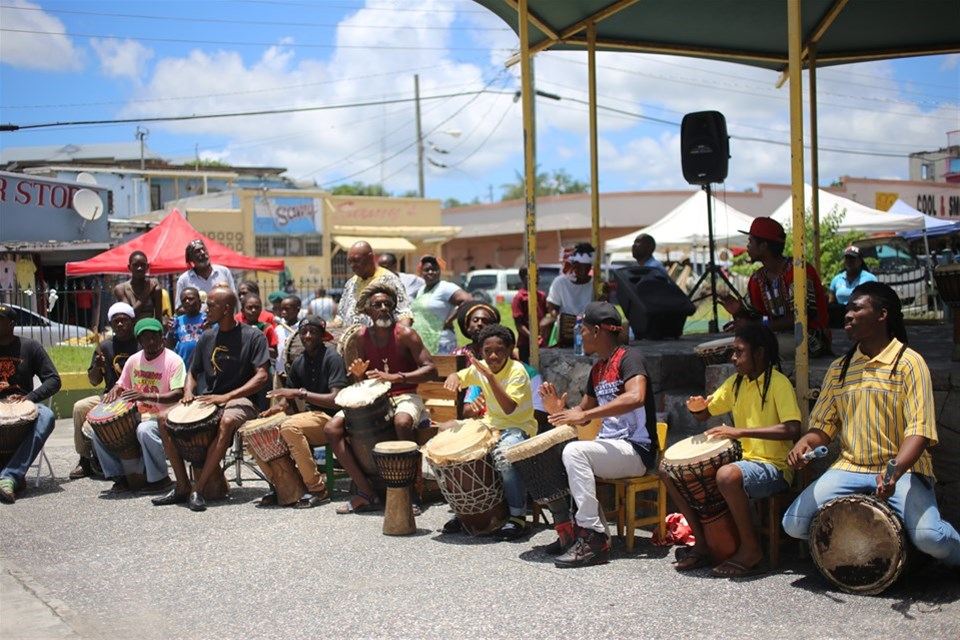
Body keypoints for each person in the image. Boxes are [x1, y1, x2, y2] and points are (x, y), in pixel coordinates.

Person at [781, 282, 960, 568]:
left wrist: (894, 471)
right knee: (793, 524)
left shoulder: (909, 363)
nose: (848, 315)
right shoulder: (839, 368)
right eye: (847, 309)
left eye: (857, 308)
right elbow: (823, 427)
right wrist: (805, 445)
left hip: (904, 470)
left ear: (882, 315)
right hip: (850, 468)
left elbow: (920, 431)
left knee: (931, 539)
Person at [675, 322, 800, 575]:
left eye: (739, 351)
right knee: (672, 472)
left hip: (775, 468)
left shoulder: (778, 383)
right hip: (745, 464)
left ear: (760, 353)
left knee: (726, 475)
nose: (733, 358)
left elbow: (793, 429)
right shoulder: (736, 383)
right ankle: (703, 545)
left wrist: (739, 432)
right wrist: (697, 407)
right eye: (733, 352)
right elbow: (706, 412)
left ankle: (751, 549)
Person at [538, 302, 656, 568]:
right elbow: (583, 411)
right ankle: (572, 530)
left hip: (636, 450)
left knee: (574, 451)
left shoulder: (629, 358)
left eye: (583, 329)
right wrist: (559, 410)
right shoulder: (598, 369)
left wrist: (586, 415)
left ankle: (592, 537)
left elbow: (637, 396)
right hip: (611, 448)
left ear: (597, 330)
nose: (580, 335)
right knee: (556, 452)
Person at [153, 287, 270, 512]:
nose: (206, 309)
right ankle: (182, 486)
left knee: (226, 421)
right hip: (209, 399)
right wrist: (188, 392)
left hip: (243, 401)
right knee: (162, 418)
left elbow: (262, 376)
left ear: (226, 309)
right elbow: (193, 372)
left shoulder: (252, 336)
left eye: (211, 305)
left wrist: (228, 396)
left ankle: (199, 488)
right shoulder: (207, 337)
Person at [325, 282, 436, 514]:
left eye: (388, 304)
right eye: (377, 305)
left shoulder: (406, 334)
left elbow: (431, 370)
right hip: (375, 398)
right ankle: (366, 492)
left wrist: (397, 377)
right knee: (332, 427)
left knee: (402, 422)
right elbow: (361, 383)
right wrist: (357, 376)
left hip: (405, 394)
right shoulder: (359, 339)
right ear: (367, 310)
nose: (384, 308)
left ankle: (410, 491)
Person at [441, 324, 536, 540]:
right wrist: (454, 376)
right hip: (490, 424)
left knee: (504, 457)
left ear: (510, 349)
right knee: (450, 443)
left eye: (499, 351)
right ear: (480, 351)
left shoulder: (517, 372)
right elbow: (463, 376)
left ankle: (517, 516)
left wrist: (490, 378)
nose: (493, 356)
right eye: (487, 351)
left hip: (518, 427)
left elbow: (509, 408)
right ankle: (467, 510)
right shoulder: (481, 367)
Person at [256, 316, 347, 508]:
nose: (307, 336)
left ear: (323, 336)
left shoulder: (333, 359)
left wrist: (301, 393)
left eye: (313, 332)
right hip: (308, 417)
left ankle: (316, 489)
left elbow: (336, 400)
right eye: (304, 332)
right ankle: (283, 484)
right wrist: (278, 406)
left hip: (330, 419)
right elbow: (287, 399)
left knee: (290, 427)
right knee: (257, 430)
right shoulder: (299, 362)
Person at [91, 318, 185, 494]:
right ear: (139, 341)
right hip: (136, 414)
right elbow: (122, 384)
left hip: (165, 417)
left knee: (144, 430)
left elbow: (178, 392)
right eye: (145, 338)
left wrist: (147, 395)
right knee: (99, 431)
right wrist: (115, 389)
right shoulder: (134, 360)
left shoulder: (174, 360)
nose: (150, 342)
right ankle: (120, 477)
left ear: (161, 337)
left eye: (153, 337)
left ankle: (160, 479)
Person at [721, 217, 831, 358]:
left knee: (755, 351)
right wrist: (738, 311)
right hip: (776, 336)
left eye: (751, 241)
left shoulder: (797, 271)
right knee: (733, 351)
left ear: (763, 246)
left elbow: (802, 316)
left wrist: (755, 326)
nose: (747, 246)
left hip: (811, 339)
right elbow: (751, 316)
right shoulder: (757, 279)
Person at [69, 302, 140, 480]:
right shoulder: (106, 347)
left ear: (132, 321)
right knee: (79, 407)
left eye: (124, 320)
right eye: (116, 322)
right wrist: (97, 368)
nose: (120, 325)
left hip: (136, 396)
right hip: (110, 396)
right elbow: (94, 381)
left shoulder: (141, 343)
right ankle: (84, 459)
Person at [0, 304, 61, 503]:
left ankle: (10, 476)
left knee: (47, 416)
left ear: (12, 324)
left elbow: (53, 379)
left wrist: (30, 398)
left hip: (23, 405)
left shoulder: (30, 346)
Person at [334, 241, 412, 328]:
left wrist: (402, 337)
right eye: (350, 262)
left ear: (370, 257)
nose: (353, 266)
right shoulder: (351, 283)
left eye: (356, 261)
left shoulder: (390, 280)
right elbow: (340, 318)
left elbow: (404, 315)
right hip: (352, 339)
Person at [411, 255, 472, 355]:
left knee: (444, 370)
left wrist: (449, 320)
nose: (430, 272)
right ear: (422, 272)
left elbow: (468, 300)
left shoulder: (445, 287)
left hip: (442, 342)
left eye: (434, 269)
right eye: (427, 270)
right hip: (424, 341)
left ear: (439, 271)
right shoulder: (422, 290)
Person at [545, 243, 596, 344]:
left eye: (587, 268)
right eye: (581, 268)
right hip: (565, 329)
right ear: (574, 266)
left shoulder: (595, 284)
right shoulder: (560, 282)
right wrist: (559, 320)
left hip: (588, 330)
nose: (584, 271)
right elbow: (551, 306)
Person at [827, 245, 877, 328]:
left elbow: (875, 301)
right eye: (847, 258)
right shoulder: (837, 279)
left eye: (853, 258)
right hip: (840, 320)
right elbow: (831, 301)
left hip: (861, 320)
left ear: (860, 261)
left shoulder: (870, 278)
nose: (849, 261)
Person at [174, 239, 236, 304]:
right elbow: (179, 308)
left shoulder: (224, 272)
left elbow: (234, 299)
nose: (202, 253)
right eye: (197, 251)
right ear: (191, 258)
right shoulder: (184, 280)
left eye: (203, 249)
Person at [511, 265, 547, 363]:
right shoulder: (519, 298)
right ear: (526, 278)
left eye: (539, 276)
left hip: (541, 342)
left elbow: (545, 317)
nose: (539, 279)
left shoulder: (541, 296)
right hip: (525, 343)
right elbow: (518, 324)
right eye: (536, 276)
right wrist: (532, 336)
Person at [113, 250, 163, 321]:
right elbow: (130, 315)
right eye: (135, 265)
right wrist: (146, 293)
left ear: (147, 266)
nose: (139, 268)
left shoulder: (154, 287)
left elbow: (158, 317)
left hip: (149, 329)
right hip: (131, 330)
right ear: (129, 267)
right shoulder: (121, 289)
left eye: (142, 265)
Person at [165, 287, 206, 368]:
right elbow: (169, 347)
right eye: (184, 300)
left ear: (199, 301)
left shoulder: (207, 319)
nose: (187, 302)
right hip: (184, 367)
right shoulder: (177, 321)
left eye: (190, 299)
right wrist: (170, 332)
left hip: (203, 367)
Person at [274, 295, 303, 379]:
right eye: (281, 309)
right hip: (280, 372)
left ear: (297, 310)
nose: (283, 312)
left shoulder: (302, 329)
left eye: (287, 309)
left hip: (297, 374)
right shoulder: (278, 329)